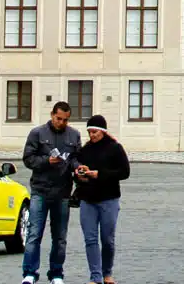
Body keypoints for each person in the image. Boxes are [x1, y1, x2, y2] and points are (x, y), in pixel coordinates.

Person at [21, 100, 80, 284]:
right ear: (52, 114)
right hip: (40, 190)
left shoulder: (74, 135)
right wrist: (47, 161)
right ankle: (30, 273)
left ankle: (56, 273)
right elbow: (28, 159)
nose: (61, 122)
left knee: (60, 238)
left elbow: (76, 159)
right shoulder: (37, 133)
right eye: (58, 118)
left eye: (65, 120)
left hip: (62, 192)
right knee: (34, 234)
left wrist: (78, 168)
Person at [73, 115, 130, 284]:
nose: (92, 135)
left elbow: (125, 172)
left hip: (109, 199)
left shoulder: (115, 148)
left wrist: (100, 174)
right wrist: (80, 174)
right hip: (87, 199)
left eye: (95, 132)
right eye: (89, 132)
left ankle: (107, 273)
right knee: (90, 239)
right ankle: (95, 276)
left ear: (103, 131)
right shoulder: (85, 150)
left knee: (107, 239)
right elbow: (77, 171)